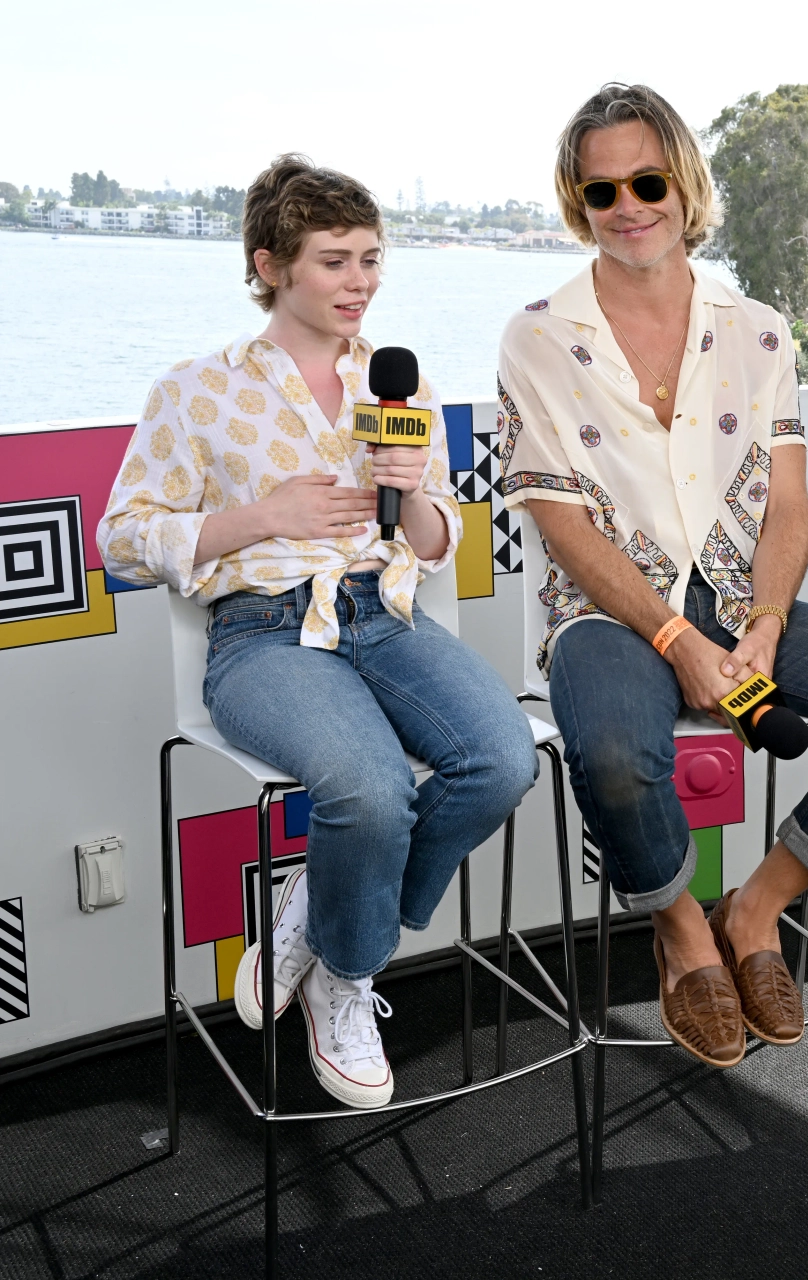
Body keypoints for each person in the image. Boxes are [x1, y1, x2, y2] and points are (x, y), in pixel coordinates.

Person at [499, 84, 808, 1068]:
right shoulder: (537, 335)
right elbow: (562, 526)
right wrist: (675, 639)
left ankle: (754, 911)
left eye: (646, 180)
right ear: (576, 201)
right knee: (620, 761)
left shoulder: (756, 329)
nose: (627, 204)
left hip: (744, 594)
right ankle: (682, 932)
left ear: (684, 181)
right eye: (600, 190)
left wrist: (762, 620)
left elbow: (788, 503)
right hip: (603, 612)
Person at [98, 156, 537, 1109]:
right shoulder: (195, 390)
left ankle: (330, 937)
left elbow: (434, 543)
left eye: (372, 259)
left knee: (502, 758)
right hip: (261, 637)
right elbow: (121, 542)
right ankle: (350, 978)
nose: (360, 282)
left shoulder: (393, 384)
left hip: (383, 616)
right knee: (371, 791)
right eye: (335, 260)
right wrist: (265, 516)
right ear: (270, 264)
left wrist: (414, 485)